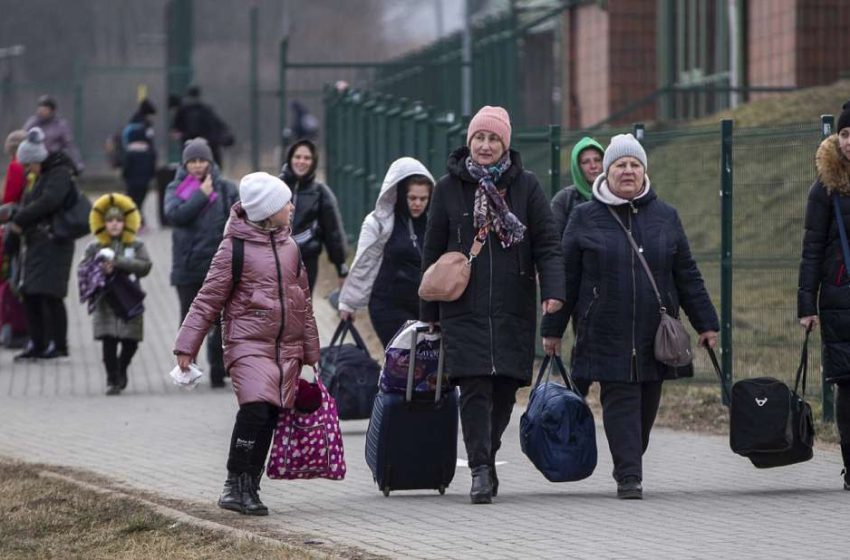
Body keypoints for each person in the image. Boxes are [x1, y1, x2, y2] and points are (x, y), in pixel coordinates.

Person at [540, 133, 719, 500]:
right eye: (620, 165)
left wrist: (706, 323)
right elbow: (568, 279)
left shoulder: (665, 217)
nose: (628, 171)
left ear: (644, 171)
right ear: (607, 172)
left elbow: (687, 274)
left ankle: (629, 460)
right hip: (605, 329)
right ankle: (629, 476)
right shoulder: (584, 216)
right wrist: (553, 329)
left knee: (645, 410)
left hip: (654, 334)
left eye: (634, 165)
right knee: (620, 400)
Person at [420, 106, 565, 504]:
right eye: (479, 138)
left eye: (493, 139)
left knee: (505, 389)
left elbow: (548, 245)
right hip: (461, 307)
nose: (485, 146)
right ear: (470, 142)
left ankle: (489, 450)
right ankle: (480, 469)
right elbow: (432, 251)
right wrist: (428, 314)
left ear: (505, 144)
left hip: (513, 305)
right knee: (474, 385)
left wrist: (553, 290)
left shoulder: (527, 188)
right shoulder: (448, 188)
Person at [173, 172, 320, 516]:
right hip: (246, 344)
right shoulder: (233, 248)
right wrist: (186, 346)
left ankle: (250, 484)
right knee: (255, 408)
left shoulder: (290, 247)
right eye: (285, 203)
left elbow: (304, 302)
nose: (291, 207)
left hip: (285, 348)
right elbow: (208, 299)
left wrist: (312, 353)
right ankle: (233, 483)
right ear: (269, 211)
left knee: (270, 414)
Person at [798, 100, 850, 491]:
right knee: (847, 384)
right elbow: (812, 248)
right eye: (846, 134)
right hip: (839, 299)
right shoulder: (826, 188)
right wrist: (806, 305)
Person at [164, 138, 238, 387]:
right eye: (192, 161)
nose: (197, 166)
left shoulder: (226, 188)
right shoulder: (177, 188)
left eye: (201, 160)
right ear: (185, 164)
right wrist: (200, 196)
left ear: (210, 161)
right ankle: (187, 368)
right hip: (187, 266)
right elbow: (174, 215)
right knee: (190, 319)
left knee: (220, 320)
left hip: (217, 266)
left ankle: (218, 368)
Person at [339, 157, 435, 347]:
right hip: (388, 304)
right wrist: (349, 304)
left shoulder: (434, 224)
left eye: (423, 199)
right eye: (412, 198)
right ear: (401, 195)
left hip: (423, 307)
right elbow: (364, 261)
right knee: (401, 360)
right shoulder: (379, 224)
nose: (418, 203)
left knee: (424, 366)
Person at [4, 128, 77, 360]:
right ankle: (37, 343)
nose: (26, 170)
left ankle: (58, 344)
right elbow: (28, 203)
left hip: (56, 242)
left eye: (27, 165)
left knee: (52, 295)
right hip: (38, 242)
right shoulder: (38, 176)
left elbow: (49, 202)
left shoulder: (59, 173)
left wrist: (20, 218)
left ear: (37, 159)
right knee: (31, 293)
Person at [549, 136, 604, 396]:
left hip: (611, 284)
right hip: (578, 287)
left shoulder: (616, 198)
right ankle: (575, 395)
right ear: (577, 167)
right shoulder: (565, 201)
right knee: (585, 342)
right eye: (586, 161)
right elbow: (553, 245)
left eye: (597, 160)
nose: (593, 166)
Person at [79, 194, 151, 395]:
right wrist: (100, 268)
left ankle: (122, 367)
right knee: (108, 340)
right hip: (105, 300)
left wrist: (119, 262)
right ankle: (112, 379)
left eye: (118, 220)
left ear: (126, 222)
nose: (114, 225)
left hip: (129, 298)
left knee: (132, 341)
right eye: (110, 220)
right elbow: (83, 268)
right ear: (102, 222)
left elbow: (145, 266)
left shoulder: (136, 245)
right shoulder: (94, 246)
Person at [278, 139, 348, 292]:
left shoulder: (320, 192)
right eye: (297, 157)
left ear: (314, 162)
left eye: (307, 158)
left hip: (306, 260)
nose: (301, 162)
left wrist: (341, 266)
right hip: (275, 259)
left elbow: (333, 231)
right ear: (290, 159)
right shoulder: (275, 187)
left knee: (300, 307)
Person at [170, 86, 233, 167]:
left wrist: (183, 135)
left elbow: (179, 130)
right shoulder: (206, 110)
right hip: (211, 145)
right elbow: (218, 125)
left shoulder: (183, 111)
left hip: (191, 145)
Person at [23, 95, 83, 173]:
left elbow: (70, 146)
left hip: (53, 164)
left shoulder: (60, 126)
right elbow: (23, 140)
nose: (41, 111)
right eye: (40, 108)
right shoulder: (32, 124)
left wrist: (77, 164)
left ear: (52, 111)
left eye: (45, 109)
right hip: (34, 163)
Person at [121, 99, 157, 226]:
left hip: (132, 177)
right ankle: (138, 220)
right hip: (144, 176)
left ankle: (133, 220)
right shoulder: (145, 126)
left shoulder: (131, 124)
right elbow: (152, 153)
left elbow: (125, 167)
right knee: (139, 199)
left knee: (131, 198)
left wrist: (125, 175)